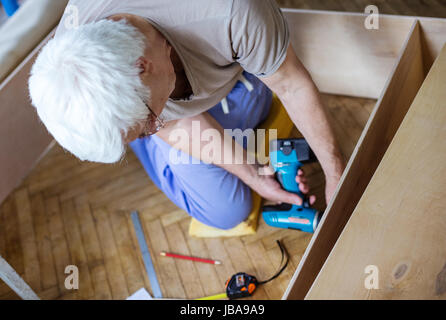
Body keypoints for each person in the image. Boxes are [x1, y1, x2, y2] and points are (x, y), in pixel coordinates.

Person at [29, 0, 345, 229]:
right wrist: (252, 174)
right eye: (142, 131)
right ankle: (137, 131)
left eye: (147, 124)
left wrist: (335, 175)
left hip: (226, 70)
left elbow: (291, 86)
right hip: (183, 92)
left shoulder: (231, 12)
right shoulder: (72, 53)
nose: (156, 126)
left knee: (259, 105)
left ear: (142, 66)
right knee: (227, 211)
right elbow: (171, 121)